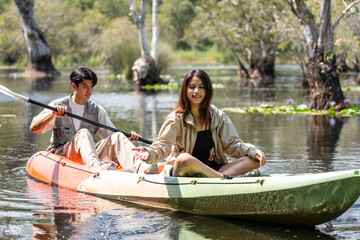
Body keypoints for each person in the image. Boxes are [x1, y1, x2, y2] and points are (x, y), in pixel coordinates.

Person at [133, 69, 266, 178]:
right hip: (183, 171)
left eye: (201, 87)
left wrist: (253, 151)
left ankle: (217, 179)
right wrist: (149, 154)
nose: (196, 91)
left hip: (211, 169)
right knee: (184, 158)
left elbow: (233, 145)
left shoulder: (218, 116)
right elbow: (163, 145)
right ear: (186, 91)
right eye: (192, 87)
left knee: (253, 160)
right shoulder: (176, 118)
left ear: (207, 91)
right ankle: (224, 180)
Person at [30, 66, 157, 173]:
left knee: (118, 136)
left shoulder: (97, 110)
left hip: (89, 153)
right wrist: (52, 115)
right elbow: (34, 129)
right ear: (74, 86)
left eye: (91, 87)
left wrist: (128, 137)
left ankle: (141, 167)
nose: (89, 91)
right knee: (84, 133)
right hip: (64, 153)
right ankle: (97, 168)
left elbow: (112, 137)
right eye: (85, 86)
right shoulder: (57, 105)